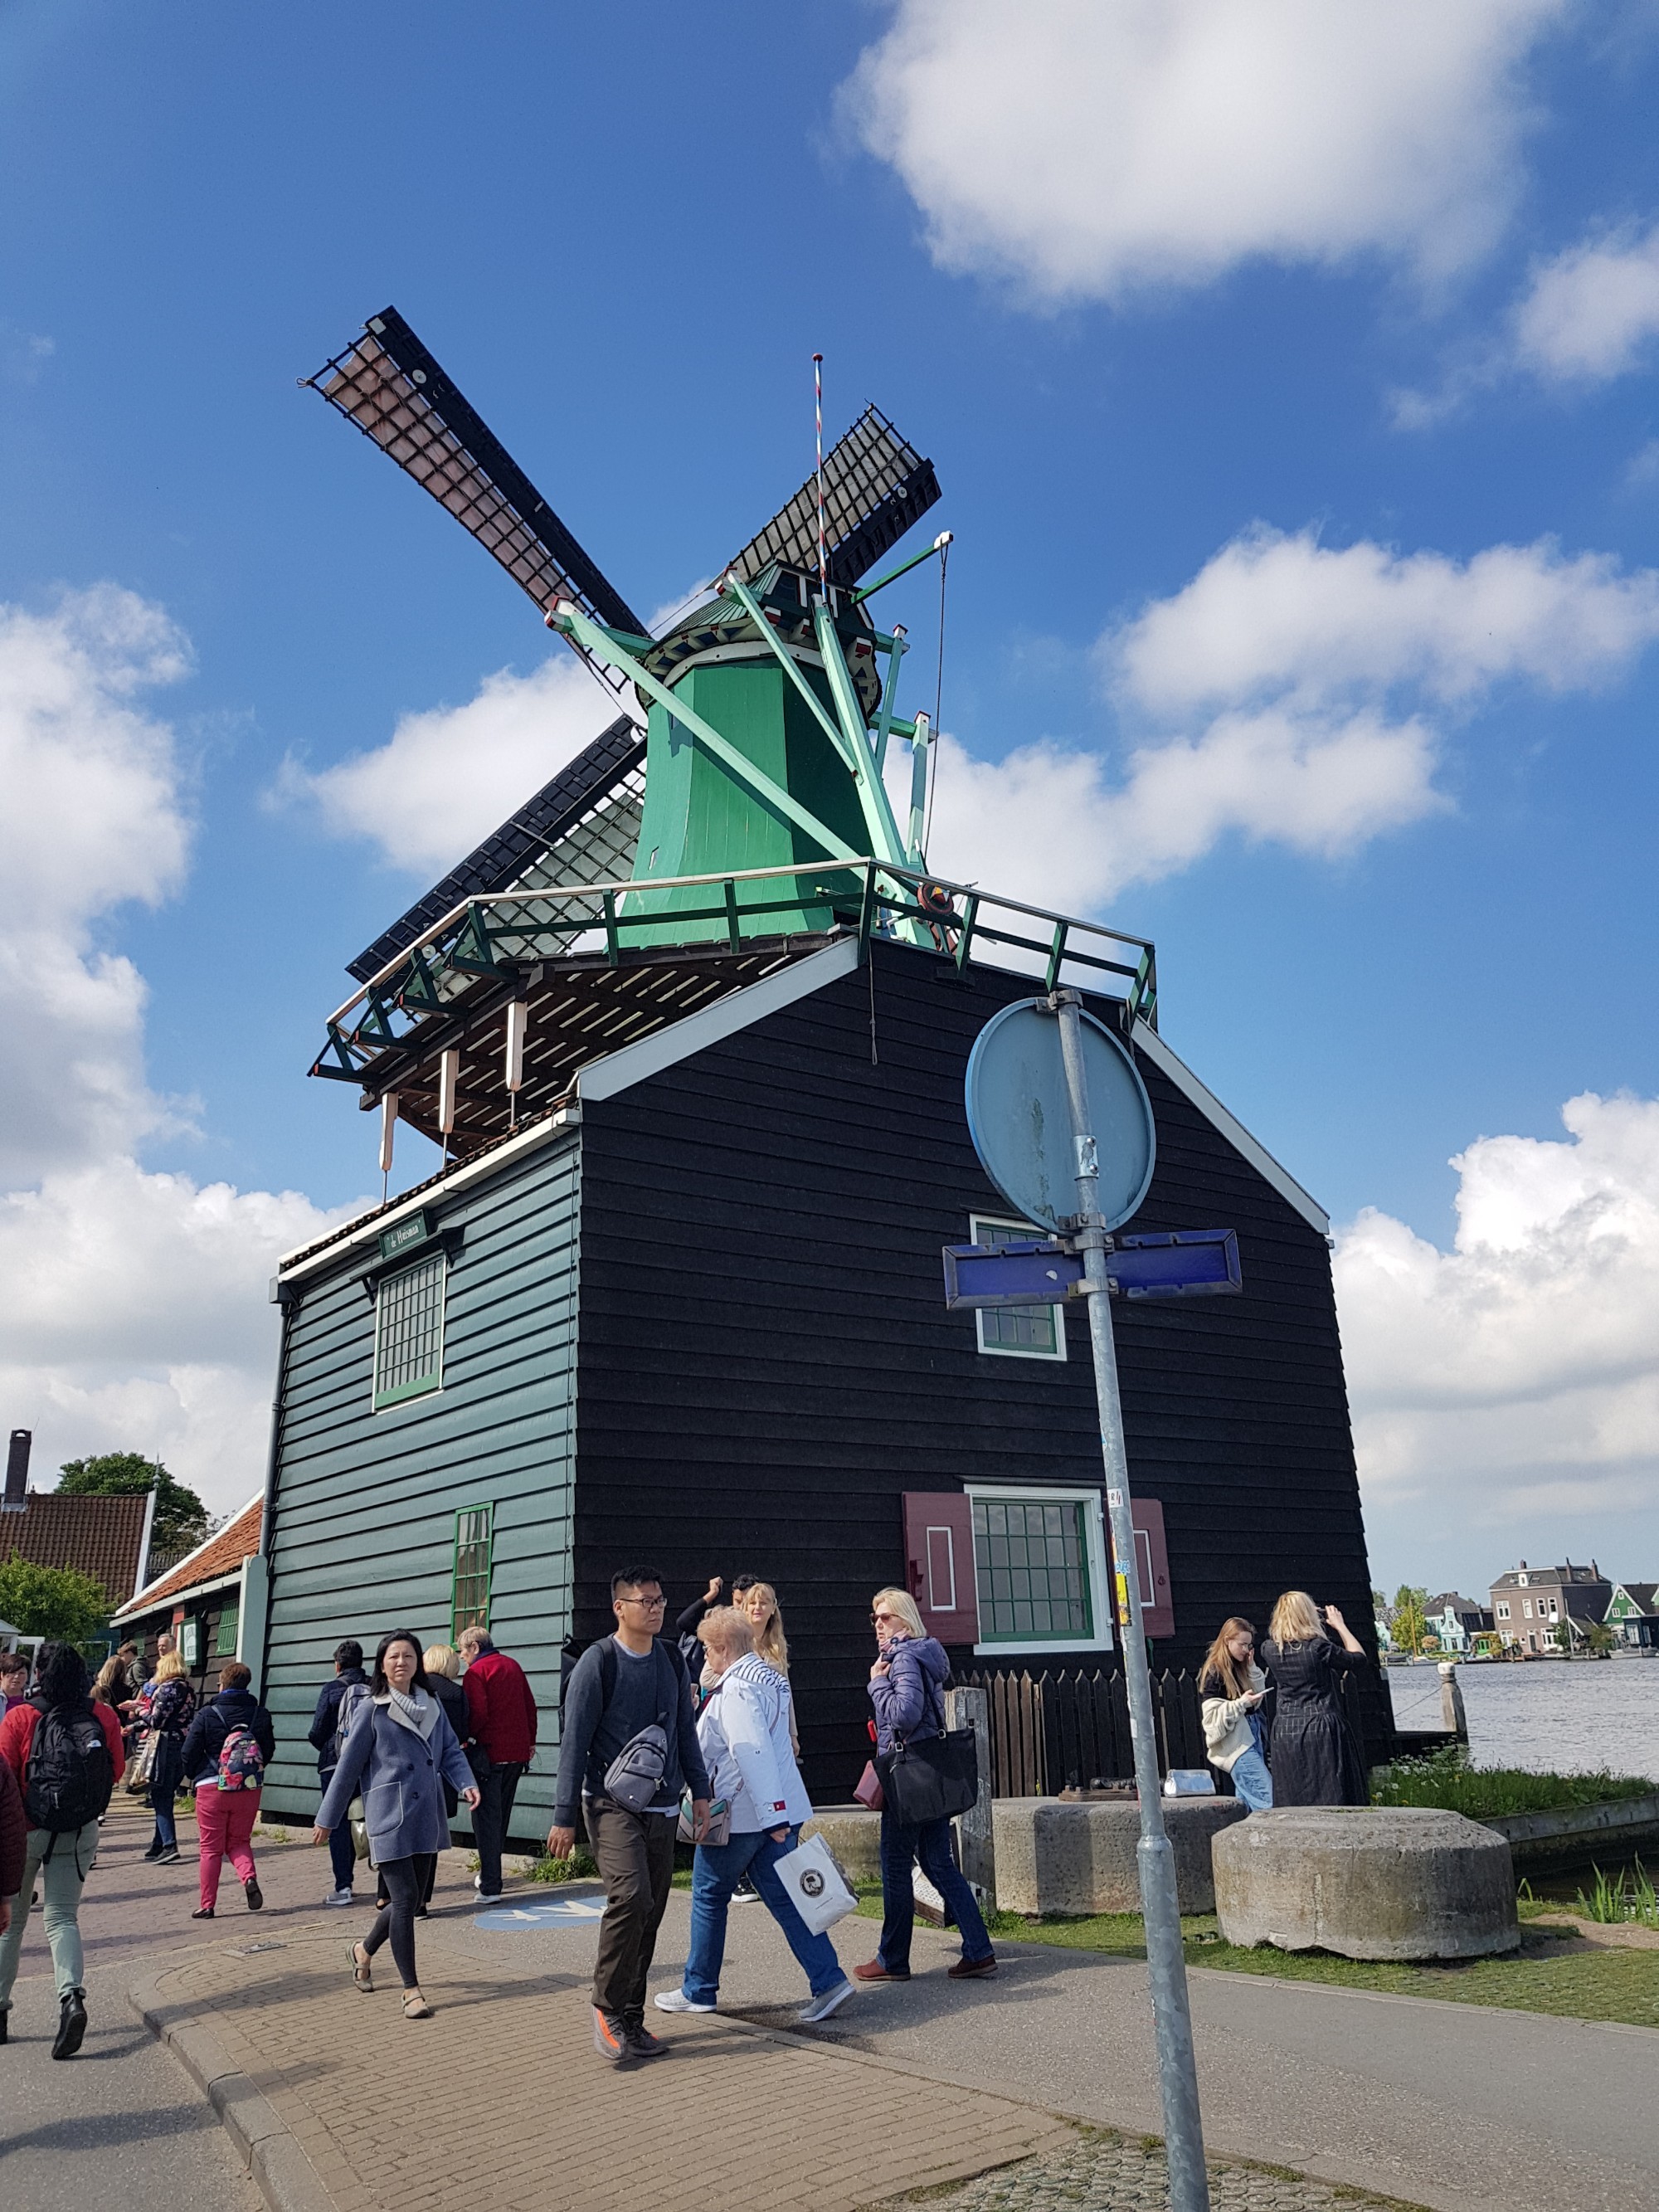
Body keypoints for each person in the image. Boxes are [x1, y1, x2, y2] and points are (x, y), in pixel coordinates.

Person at [655, 1609, 854, 2024]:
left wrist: (771, 1815)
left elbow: (750, 1751)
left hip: (743, 1815)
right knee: (787, 1899)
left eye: (709, 1649)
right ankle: (829, 1980)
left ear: (723, 1649)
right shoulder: (768, 1679)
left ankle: (699, 1989)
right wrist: (779, 1815)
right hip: (776, 1810)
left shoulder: (736, 1691)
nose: (706, 1656)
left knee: (709, 1896)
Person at [548, 1566, 711, 2064]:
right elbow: (574, 1739)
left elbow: (686, 1730)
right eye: (646, 1601)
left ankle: (633, 2019)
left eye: (661, 1600)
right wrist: (563, 1816)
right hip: (609, 1803)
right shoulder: (598, 1663)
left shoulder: (670, 1660)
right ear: (620, 1608)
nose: (657, 1608)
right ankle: (606, 2006)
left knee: (652, 1910)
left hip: (663, 1806)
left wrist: (700, 1792)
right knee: (631, 1895)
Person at [314, 1630, 478, 2020]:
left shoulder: (432, 1703)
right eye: (393, 1657)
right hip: (389, 1814)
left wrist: (467, 1782)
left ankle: (363, 1951)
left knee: (411, 1899)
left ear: (418, 1662)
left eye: (407, 1655)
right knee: (403, 1901)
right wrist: (327, 1818)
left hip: (427, 1815)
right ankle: (411, 1989)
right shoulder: (372, 1708)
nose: (401, 1662)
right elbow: (348, 1766)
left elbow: (451, 1750)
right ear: (382, 1666)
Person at [854, 1587, 996, 1985]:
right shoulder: (921, 1654)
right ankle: (979, 1949)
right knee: (937, 1862)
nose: (878, 1626)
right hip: (929, 1772)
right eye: (874, 1618)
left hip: (908, 1777)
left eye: (885, 1618)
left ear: (904, 1620)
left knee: (895, 1865)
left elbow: (906, 1713)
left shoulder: (902, 1659)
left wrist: (876, 1685)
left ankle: (893, 1957)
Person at [0, 1641, 124, 2058]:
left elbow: (6, 1779)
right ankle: (71, 1998)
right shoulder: (103, 1715)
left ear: (39, 1673)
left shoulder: (20, 1716)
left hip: (24, 1830)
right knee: (61, 1919)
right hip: (79, 1830)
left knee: (11, 1925)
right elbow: (116, 1771)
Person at [181, 1660, 276, 1918]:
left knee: (210, 1848)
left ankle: (207, 1904)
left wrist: (196, 1774)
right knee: (239, 1841)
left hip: (212, 1787)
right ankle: (248, 1878)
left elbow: (188, 1753)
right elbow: (268, 1751)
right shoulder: (261, 1713)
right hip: (248, 1787)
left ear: (222, 1684)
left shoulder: (208, 1715)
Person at [1261, 1592, 1369, 1806]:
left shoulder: (1269, 1649)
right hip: (1321, 1724)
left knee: (1293, 1793)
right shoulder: (1318, 1647)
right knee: (1332, 1790)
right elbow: (1358, 1659)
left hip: (1286, 1729)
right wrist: (1339, 1625)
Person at [457, 1624, 538, 1903]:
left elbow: (478, 1714)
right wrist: (530, 1741)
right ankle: (489, 1875)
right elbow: (530, 1706)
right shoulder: (513, 1666)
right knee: (500, 1817)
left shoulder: (476, 1673)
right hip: (516, 1754)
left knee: (485, 1821)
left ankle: (490, 1885)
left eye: (463, 1652)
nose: (462, 1658)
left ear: (475, 1647)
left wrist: (466, 1737)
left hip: (489, 1755)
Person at [307, 1639, 370, 1907]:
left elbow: (317, 1730)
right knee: (366, 1817)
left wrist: (329, 1746)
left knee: (337, 1822)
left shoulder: (332, 1688)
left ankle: (343, 1886)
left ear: (338, 1665)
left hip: (334, 1763)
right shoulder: (373, 1686)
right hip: (368, 1763)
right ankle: (385, 1883)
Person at [419, 1644, 472, 1913]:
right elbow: (461, 1734)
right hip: (443, 1775)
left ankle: (400, 1897)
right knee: (433, 1838)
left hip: (415, 1772)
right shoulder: (458, 1693)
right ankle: (424, 1899)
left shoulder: (417, 1690)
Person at [1199, 1618, 1272, 1811]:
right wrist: (1241, 1704)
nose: (1246, 1650)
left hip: (1252, 1738)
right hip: (1237, 1746)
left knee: (1246, 1804)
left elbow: (1254, 1706)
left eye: (1249, 1645)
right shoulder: (1215, 1672)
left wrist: (1252, 1669)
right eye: (1242, 1645)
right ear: (1227, 1641)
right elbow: (1211, 1720)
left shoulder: (1241, 1667)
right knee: (1267, 1797)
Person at [139, 1650, 197, 1864]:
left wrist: (138, 1712)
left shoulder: (168, 1689)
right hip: (182, 1743)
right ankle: (158, 1844)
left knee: (160, 1794)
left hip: (165, 1745)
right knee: (166, 1792)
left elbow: (156, 1721)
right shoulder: (188, 1688)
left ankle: (169, 1844)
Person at [0, 1652, 29, 1716]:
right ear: (2, 1675)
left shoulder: (32, 1699)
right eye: (12, 1672)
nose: (16, 1677)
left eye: (21, 1673)